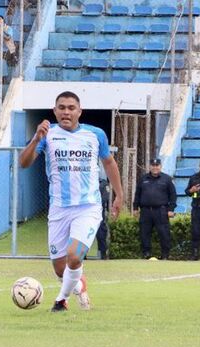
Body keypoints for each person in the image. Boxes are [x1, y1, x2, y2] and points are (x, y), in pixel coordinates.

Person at [19, 91, 124, 312]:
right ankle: (80, 286)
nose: (66, 112)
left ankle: (60, 301)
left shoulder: (95, 134)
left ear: (79, 111)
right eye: (62, 107)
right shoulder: (47, 135)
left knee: (74, 256)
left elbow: (109, 163)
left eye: (71, 107)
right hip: (58, 209)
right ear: (55, 110)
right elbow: (24, 163)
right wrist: (36, 139)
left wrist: (119, 195)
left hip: (88, 207)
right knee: (60, 268)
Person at [133, 158, 177, 260]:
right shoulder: (143, 179)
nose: (155, 167)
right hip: (145, 211)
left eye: (157, 165)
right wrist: (135, 208)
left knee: (164, 233)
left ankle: (165, 255)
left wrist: (171, 209)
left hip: (161, 210)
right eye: (153, 165)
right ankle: (146, 253)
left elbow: (173, 195)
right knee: (144, 233)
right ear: (150, 166)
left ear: (160, 166)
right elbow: (138, 194)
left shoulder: (167, 179)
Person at [95, 178, 110, 260]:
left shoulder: (103, 183)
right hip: (84, 211)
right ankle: (82, 255)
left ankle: (103, 254)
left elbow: (105, 197)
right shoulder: (85, 180)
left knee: (101, 233)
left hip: (99, 212)